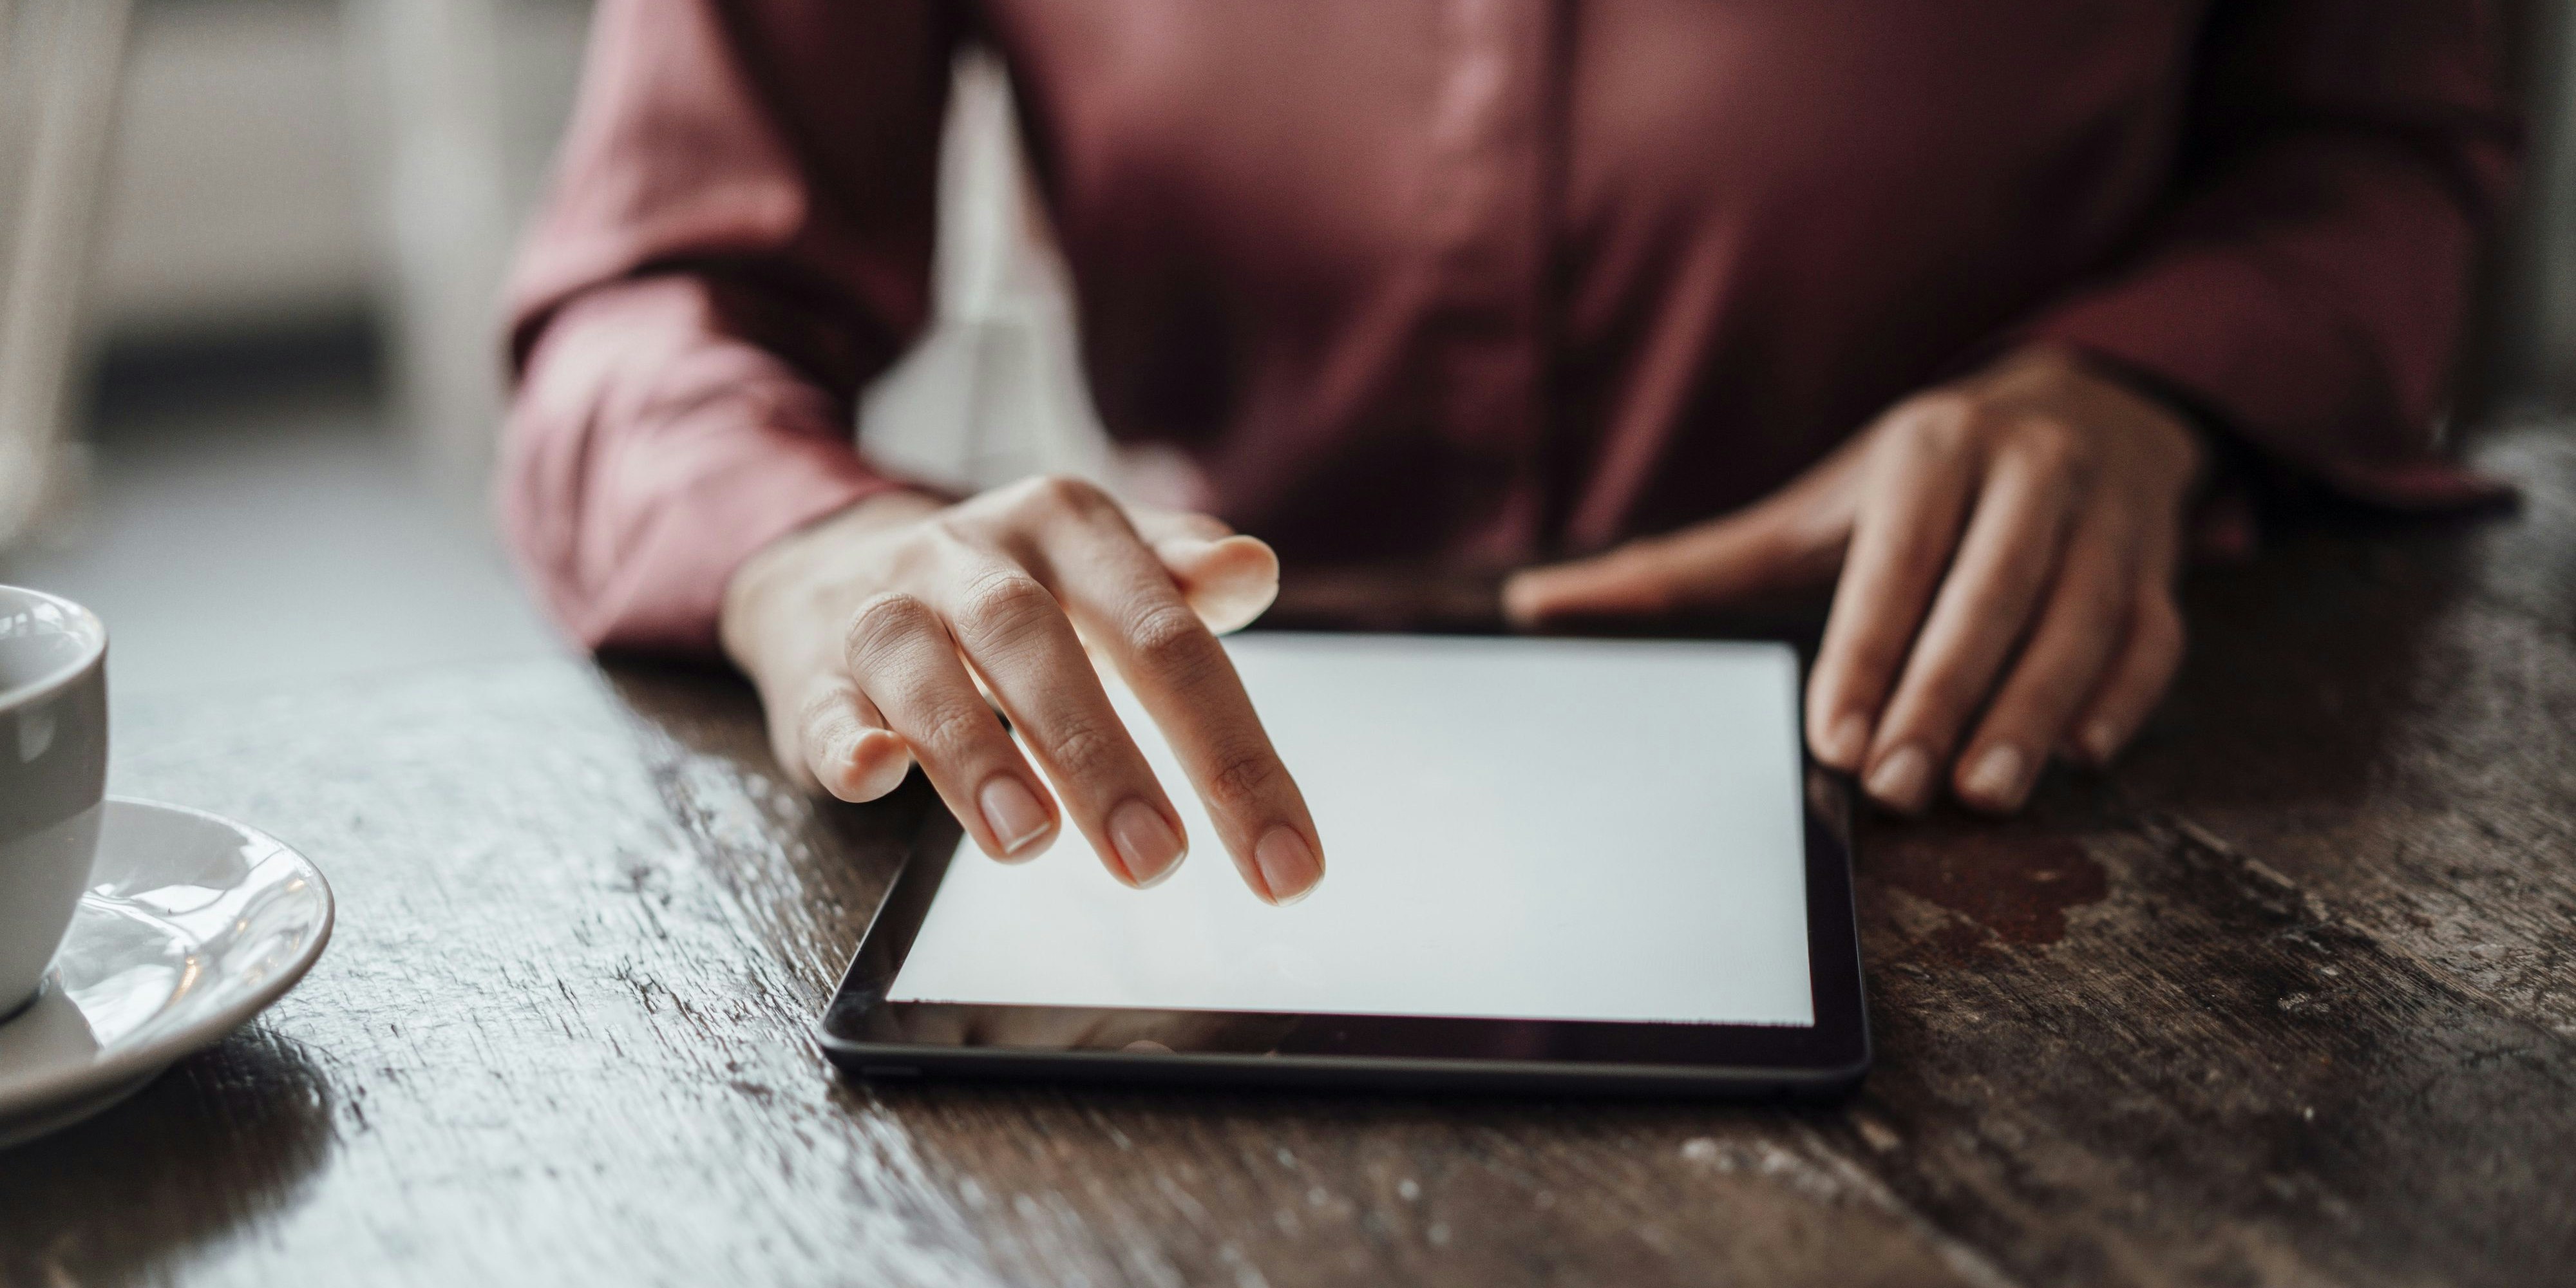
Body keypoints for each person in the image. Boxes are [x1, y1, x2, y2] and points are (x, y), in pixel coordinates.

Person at [500, 1, 2518, 906]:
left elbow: (2382, 146)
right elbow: (646, 304)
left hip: (2017, 789)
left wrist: (2134, 390)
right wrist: (809, 548)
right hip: (1232, 826)